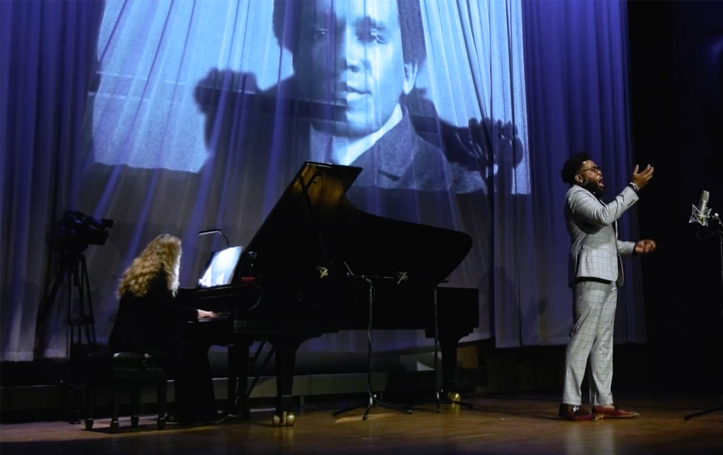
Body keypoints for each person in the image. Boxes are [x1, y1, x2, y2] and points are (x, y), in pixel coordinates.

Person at [197, 0, 486, 193]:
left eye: (372, 36)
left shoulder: (453, 189)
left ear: (408, 72)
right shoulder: (242, 171)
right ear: (297, 61)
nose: (345, 56)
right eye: (321, 33)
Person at [558, 153, 656, 421]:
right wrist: (633, 188)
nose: (599, 172)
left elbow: (604, 242)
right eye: (592, 169)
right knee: (582, 339)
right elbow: (603, 216)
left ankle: (603, 401)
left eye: (598, 168)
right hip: (590, 275)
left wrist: (633, 248)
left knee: (602, 343)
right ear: (579, 177)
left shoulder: (592, 197)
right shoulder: (577, 196)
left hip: (608, 275)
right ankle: (570, 403)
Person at [109, 234, 225, 425]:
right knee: (194, 353)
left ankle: (182, 411)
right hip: (142, 340)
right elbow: (168, 309)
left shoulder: (139, 275)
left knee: (189, 350)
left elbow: (158, 310)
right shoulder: (159, 277)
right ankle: (199, 414)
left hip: (127, 338)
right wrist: (198, 313)